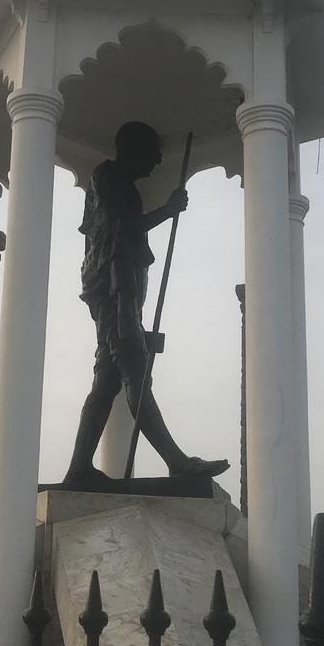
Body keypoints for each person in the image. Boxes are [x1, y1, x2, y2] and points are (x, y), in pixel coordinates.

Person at [63, 121, 230, 486]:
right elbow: (120, 232)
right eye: (152, 153)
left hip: (124, 296)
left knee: (107, 381)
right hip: (115, 293)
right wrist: (168, 210)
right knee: (136, 375)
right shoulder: (107, 179)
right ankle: (177, 461)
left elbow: (126, 233)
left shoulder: (123, 186)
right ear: (132, 150)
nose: (157, 162)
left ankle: (79, 467)